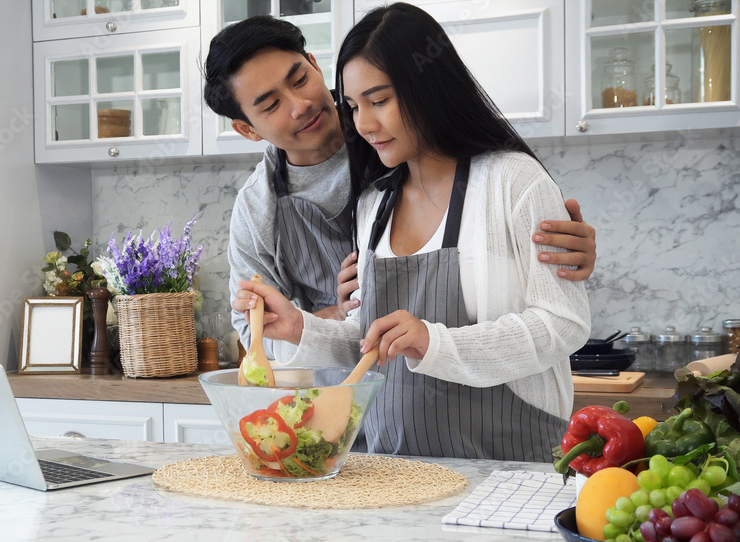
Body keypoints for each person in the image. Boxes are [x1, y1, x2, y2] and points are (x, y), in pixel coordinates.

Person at [234, 3, 591, 462]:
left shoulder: (513, 182)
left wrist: (435, 341)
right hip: (396, 469)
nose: (363, 124)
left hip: (509, 462)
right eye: (355, 106)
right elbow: (371, 342)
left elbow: (564, 323)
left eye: (379, 101)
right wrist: (301, 327)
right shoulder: (374, 204)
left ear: (428, 86)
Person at [201, 15, 596, 360]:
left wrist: (550, 244)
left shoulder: (407, 146)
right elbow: (256, 330)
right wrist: (334, 316)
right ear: (246, 129)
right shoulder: (258, 208)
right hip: (344, 392)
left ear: (315, 66)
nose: (300, 104)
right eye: (270, 105)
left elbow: (550, 300)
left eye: (300, 79)